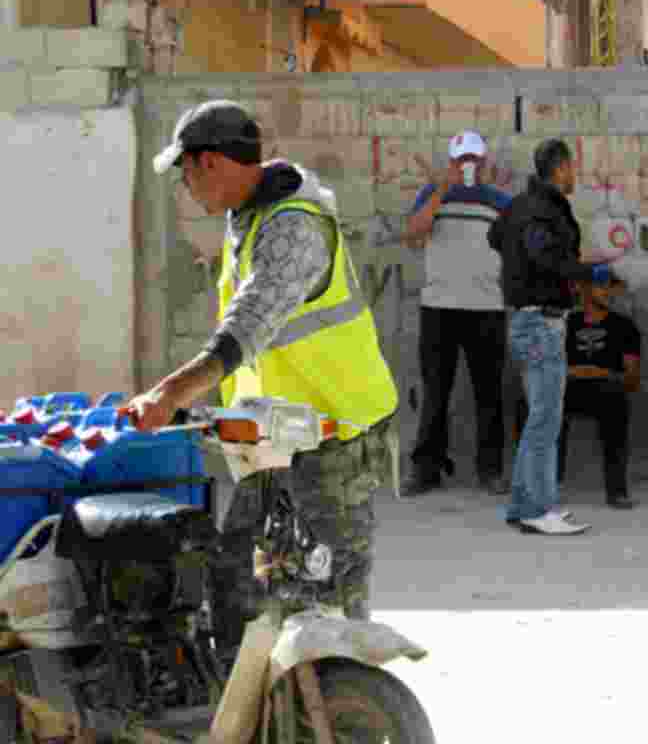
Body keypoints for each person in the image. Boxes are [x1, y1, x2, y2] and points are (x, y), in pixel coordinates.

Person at [128, 100, 398, 647]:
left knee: (330, 604)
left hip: (334, 430)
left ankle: (343, 714)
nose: (185, 187)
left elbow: (247, 327)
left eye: (185, 173)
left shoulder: (293, 227)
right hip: (272, 431)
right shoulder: (246, 216)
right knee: (240, 583)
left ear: (211, 163)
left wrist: (168, 393)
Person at [488, 138, 624, 535]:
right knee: (546, 419)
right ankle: (537, 508)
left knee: (540, 418)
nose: (574, 175)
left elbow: (495, 237)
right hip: (540, 322)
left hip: (530, 319)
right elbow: (543, 256)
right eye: (572, 168)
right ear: (561, 168)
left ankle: (522, 504)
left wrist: (521, 269)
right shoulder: (543, 209)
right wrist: (589, 273)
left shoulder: (519, 206)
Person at [401, 130, 512, 496]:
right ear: (452, 163)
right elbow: (414, 233)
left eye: (474, 160)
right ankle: (425, 470)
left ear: (484, 163)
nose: (469, 166)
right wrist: (440, 191)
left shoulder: (499, 201)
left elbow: (516, 246)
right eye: (462, 160)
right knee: (435, 394)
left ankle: (491, 471)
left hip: (488, 309)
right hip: (439, 310)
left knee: (490, 395)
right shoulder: (433, 194)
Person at [516, 275, 642, 509]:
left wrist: (600, 373)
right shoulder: (564, 323)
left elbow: (632, 380)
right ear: (583, 289)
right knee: (530, 401)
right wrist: (573, 371)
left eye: (609, 286)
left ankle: (617, 490)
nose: (606, 291)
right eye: (600, 285)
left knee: (616, 400)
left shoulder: (624, 326)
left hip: (605, 389)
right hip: (566, 386)